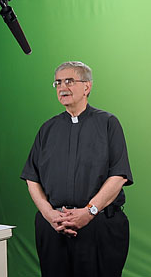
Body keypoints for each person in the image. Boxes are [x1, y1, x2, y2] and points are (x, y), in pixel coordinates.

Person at [21, 61, 133, 277]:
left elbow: (118, 175)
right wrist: (49, 214)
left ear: (87, 87)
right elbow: (31, 177)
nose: (62, 87)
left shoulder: (109, 124)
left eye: (70, 81)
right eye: (58, 82)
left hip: (99, 228)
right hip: (55, 228)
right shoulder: (47, 129)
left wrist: (89, 211)